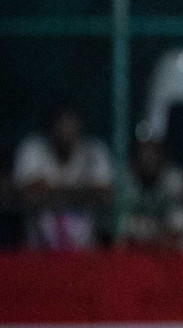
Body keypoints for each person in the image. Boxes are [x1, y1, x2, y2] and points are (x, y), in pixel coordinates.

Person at [12, 105, 113, 250]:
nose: (66, 132)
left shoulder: (95, 151)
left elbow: (104, 194)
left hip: (84, 252)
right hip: (39, 251)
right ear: (51, 128)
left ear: (80, 127)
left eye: (71, 125)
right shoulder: (33, 148)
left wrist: (50, 192)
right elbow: (26, 194)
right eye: (61, 125)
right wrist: (82, 193)